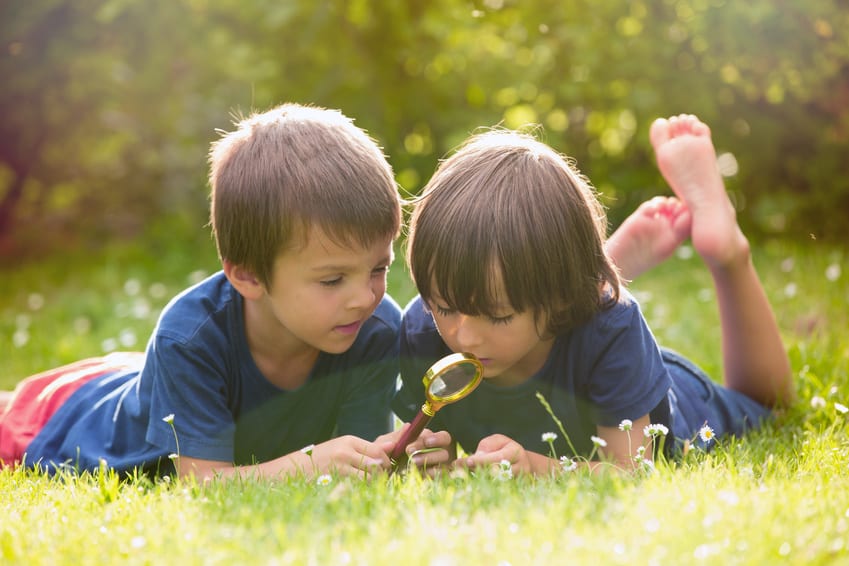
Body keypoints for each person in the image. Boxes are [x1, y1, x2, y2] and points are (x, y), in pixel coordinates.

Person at [0, 103, 449, 481]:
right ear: (249, 276)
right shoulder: (189, 338)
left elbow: (362, 460)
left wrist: (398, 451)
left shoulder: (376, 328)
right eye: (332, 280)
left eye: (378, 268)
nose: (363, 297)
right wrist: (312, 462)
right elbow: (204, 483)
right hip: (72, 420)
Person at [393, 114, 794, 475]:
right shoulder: (422, 331)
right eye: (443, 307)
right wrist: (437, 461)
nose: (464, 336)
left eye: (498, 316)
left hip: (667, 401)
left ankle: (728, 255)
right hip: (572, 321)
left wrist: (535, 468)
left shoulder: (611, 328)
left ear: (561, 300)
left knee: (771, 405)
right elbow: (443, 459)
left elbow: (631, 473)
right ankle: (601, 266)